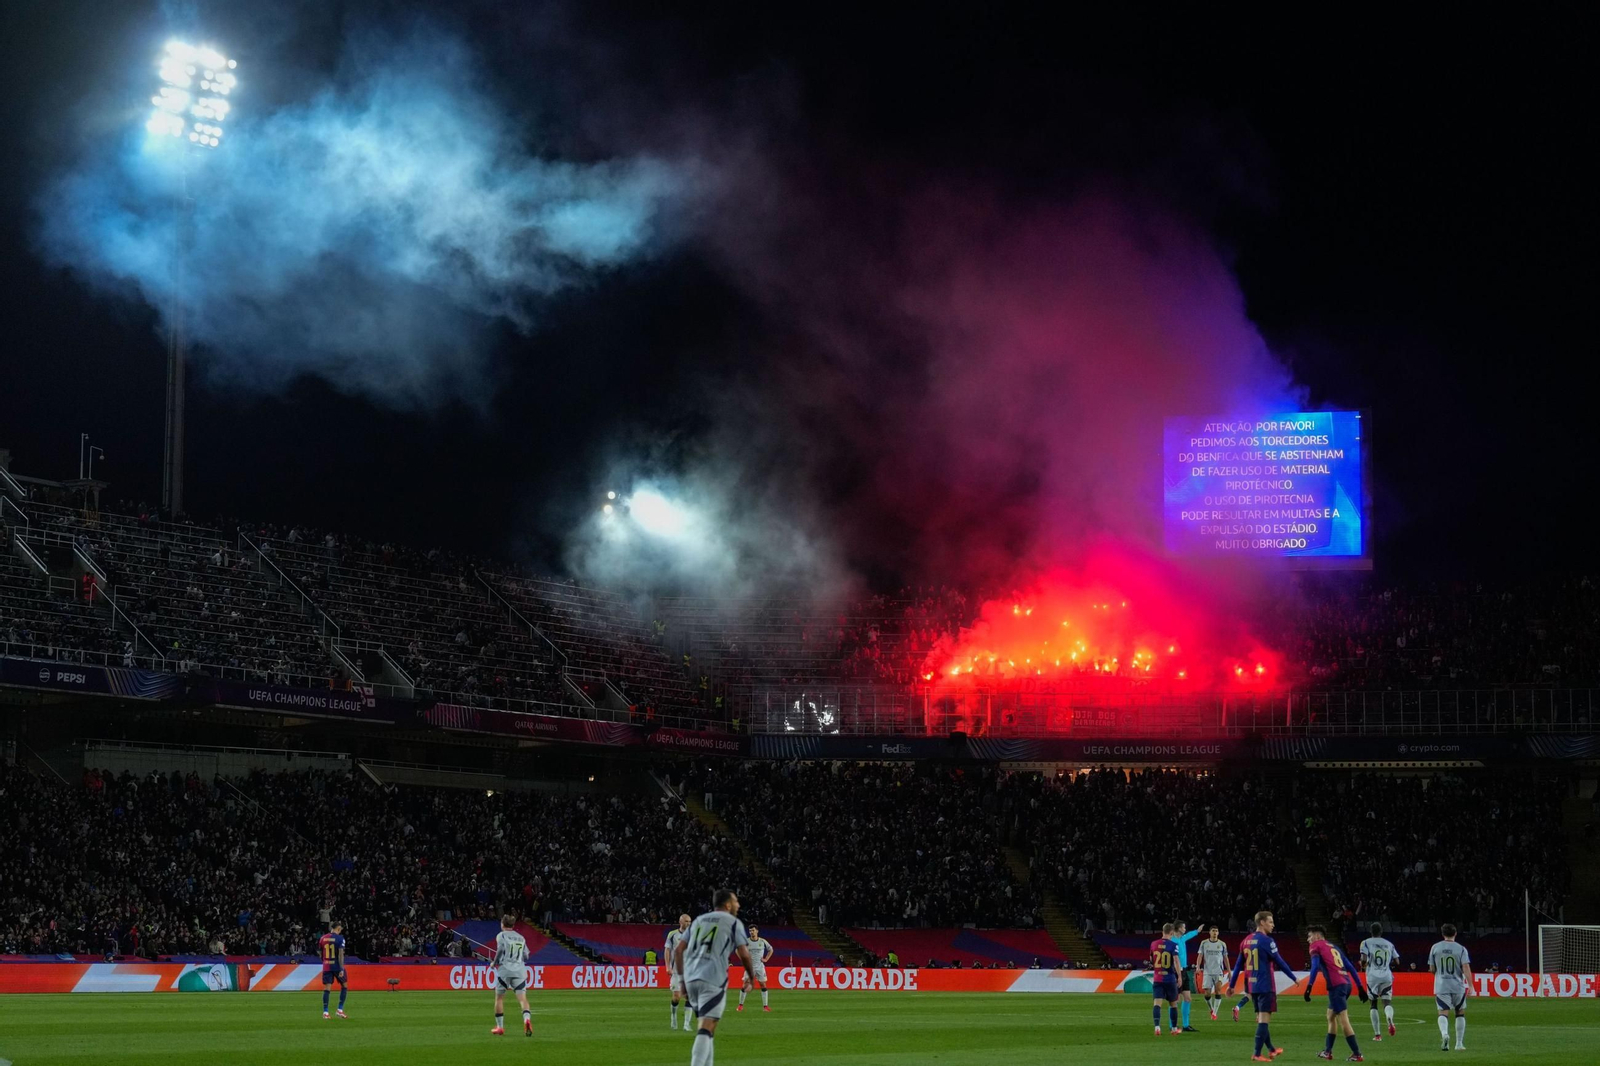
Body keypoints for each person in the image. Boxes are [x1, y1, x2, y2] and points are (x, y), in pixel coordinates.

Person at [674, 889, 756, 1066]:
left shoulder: (699, 921)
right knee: (706, 1028)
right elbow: (744, 954)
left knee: (707, 1029)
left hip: (691, 979)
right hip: (712, 980)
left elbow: (679, 950)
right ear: (727, 905)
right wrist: (751, 977)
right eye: (735, 901)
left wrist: (681, 981)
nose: (738, 905)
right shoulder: (732, 923)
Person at [1227, 909, 1295, 1061]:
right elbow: (1279, 961)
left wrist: (1231, 986)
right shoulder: (1267, 941)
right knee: (1264, 1019)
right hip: (1265, 985)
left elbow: (1238, 965)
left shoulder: (1245, 941)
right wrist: (1293, 977)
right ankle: (1257, 1053)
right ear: (1262, 922)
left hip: (1252, 986)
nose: (1273, 925)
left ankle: (1271, 1049)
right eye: (1270, 922)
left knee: (1261, 1017)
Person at [1304, 924, 1367, 1061]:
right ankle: (1327, 1051)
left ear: (1317, 936)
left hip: (1336, 986)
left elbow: (1314, 967)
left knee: (1343, 1020)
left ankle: (1357, 1054)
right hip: (1346, 984)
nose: (1308, 940)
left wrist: (1309, 986)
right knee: (1330, 1015)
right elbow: (1350, 967)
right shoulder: (1334, 947)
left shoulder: (1316, 946)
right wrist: (1360, 987)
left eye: (1310, 936)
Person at [1429, 923, 1474, 1052]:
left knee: (1443, 1012)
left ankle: (1444, 1034)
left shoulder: (1435, 947)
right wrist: (1471, 985)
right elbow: (1466, 967)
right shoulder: (1461, 949)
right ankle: (1459, 1043)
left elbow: (1432, 968)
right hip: (1457, 985)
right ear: (1455, 933)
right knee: (1460, 1012)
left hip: (1441, 985)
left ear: (1443, 934)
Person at [489, 915, 533, 1037]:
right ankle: (526, 1019)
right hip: (520, 971)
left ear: (502, 924)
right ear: (513, 925)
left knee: (499, 998)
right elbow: (526, 955)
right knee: (523, 999)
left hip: (505, 970)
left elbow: (500, 949)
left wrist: (494, 962)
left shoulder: (501, 935)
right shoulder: (521, 937)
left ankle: (500, 1027)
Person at [1358, 922, 1399, 1041]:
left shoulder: (1365, 942)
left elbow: (1363, 959)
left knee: (1373, 1004)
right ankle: (1389, 1018)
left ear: (1371, 932)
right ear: (1381, 932)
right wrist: (1387, 963)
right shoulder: (1389, 944)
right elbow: (1397, 962)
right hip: (1386, 976)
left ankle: (1377, 1035)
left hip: (1372, 976)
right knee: (1387, 1002)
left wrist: (1363, 966)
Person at [1148, 922, 1182, 1036]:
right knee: (1173, 1004)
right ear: (1171, 933)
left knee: (1157, 1004)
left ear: (1162, 931)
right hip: (1170, 979)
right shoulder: (1173, 945)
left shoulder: (1153, 944)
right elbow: (1176, 961)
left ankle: (1157, 1027)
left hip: (1157, 978)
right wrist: (1179, 976)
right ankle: (1174, 1029)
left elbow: (1151, 959)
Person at [737, 924, 773, 1012]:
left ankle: (765, 1006)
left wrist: (766, 959)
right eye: (750, 931)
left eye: (753, 930)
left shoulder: (762, 941)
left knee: (763, 984)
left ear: (757, 931)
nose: (751, 932)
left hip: (760, 967)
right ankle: (740, 1005)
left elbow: (771, 949)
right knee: (745, 984)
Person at [1197, 925, 1230, 1020]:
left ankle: (1215, 1013)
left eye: (1216, 931)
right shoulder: (1204, 943)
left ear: (1218, 933)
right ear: (1210, 932)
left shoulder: (1222, 944)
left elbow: (1225, 958)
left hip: (1218, 971)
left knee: (1218, 991)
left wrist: (1229, 970)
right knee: (1207, 994)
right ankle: (1211, 1008)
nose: (1215, 932)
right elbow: (1200, 956)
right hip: (1207, 971)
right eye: (1213, 931)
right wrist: (1198, 966)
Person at [666, 914, 693, 1031]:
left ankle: (686, 1024)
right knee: (676, 997)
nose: (689, 923)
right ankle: (673, 1017)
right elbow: (667, 950)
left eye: (690, 921)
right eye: (686, 921)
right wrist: (668, 966)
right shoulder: (672, 934)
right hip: (676, 971)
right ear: (680, 922)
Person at [1172, 919, 1200, 1031]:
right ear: (1179, 928)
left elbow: (1189, 935)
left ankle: (1185, 1025)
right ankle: (1172, 1025)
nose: (1185, 929)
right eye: (1183, 927)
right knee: (1175, 1000)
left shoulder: (1182, 938)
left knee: (1188, 998)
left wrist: (1197, 931)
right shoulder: (1172, 940)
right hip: (1176, 972)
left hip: (1184, 971)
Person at [319, 921, 348, 1019]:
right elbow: (341, 954)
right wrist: (341, 968)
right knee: (344, 985)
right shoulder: (340, 939)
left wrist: (325, 962)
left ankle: (325, 1012)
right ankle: (340, 1010)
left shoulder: (322, 938)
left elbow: (320, 954)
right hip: (336, 966)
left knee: (327, 988)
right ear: (338, 928)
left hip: (326, 966)